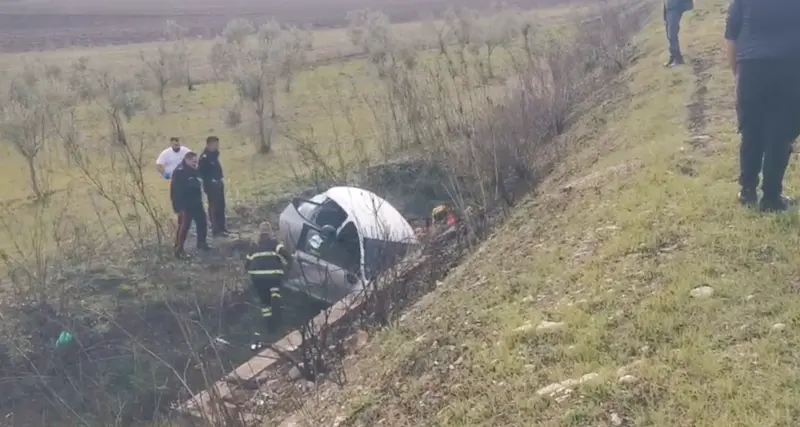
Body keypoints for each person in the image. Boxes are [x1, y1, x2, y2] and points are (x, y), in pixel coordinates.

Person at [725, 0, 800, 211]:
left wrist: (739, 76)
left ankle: (747, 191)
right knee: (781, 135)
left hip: (751, 67)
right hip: (790, 68)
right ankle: (771, 198)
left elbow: (731, 40)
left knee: (751, 132)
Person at [245, 221, 292, 333]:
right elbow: (287, 256)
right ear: (270, 232)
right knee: (275, 289)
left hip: (257, 278)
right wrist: (287, 269)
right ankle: (276, 300)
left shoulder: (254, 246)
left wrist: (251, 274)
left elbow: (247, 264)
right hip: (274, 275)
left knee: (264, 302)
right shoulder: (275, 244)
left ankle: (270, 327)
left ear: (259, 233)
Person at [171, 152, 211, 258]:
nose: (195, 163)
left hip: (196, 202)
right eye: (193, 161)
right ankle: (179, 249)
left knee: (202, 222)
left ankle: (201, 243)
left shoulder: (194, 170)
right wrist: (178, 207)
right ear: (187, 160)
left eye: (196, 161)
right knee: (184, 226)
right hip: (185, 204)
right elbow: (175, 191)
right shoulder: (179, 172)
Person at [198, 136, 229, 237]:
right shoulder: (204, 158)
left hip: (218, 183)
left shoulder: (214, 156)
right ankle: (216, 230)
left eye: (217, 144)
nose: (216, 146)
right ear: (209, 144)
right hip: (211, 186)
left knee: (221, 206)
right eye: (214, 144)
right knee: (214, 207)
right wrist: (211, 181)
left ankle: (222, 227)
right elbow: (201, 173)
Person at [663, 0, 693, 67]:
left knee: (672, 33)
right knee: (668, 33)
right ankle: (673, 56)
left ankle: (678, 59)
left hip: (675, 7)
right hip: (668, 6)